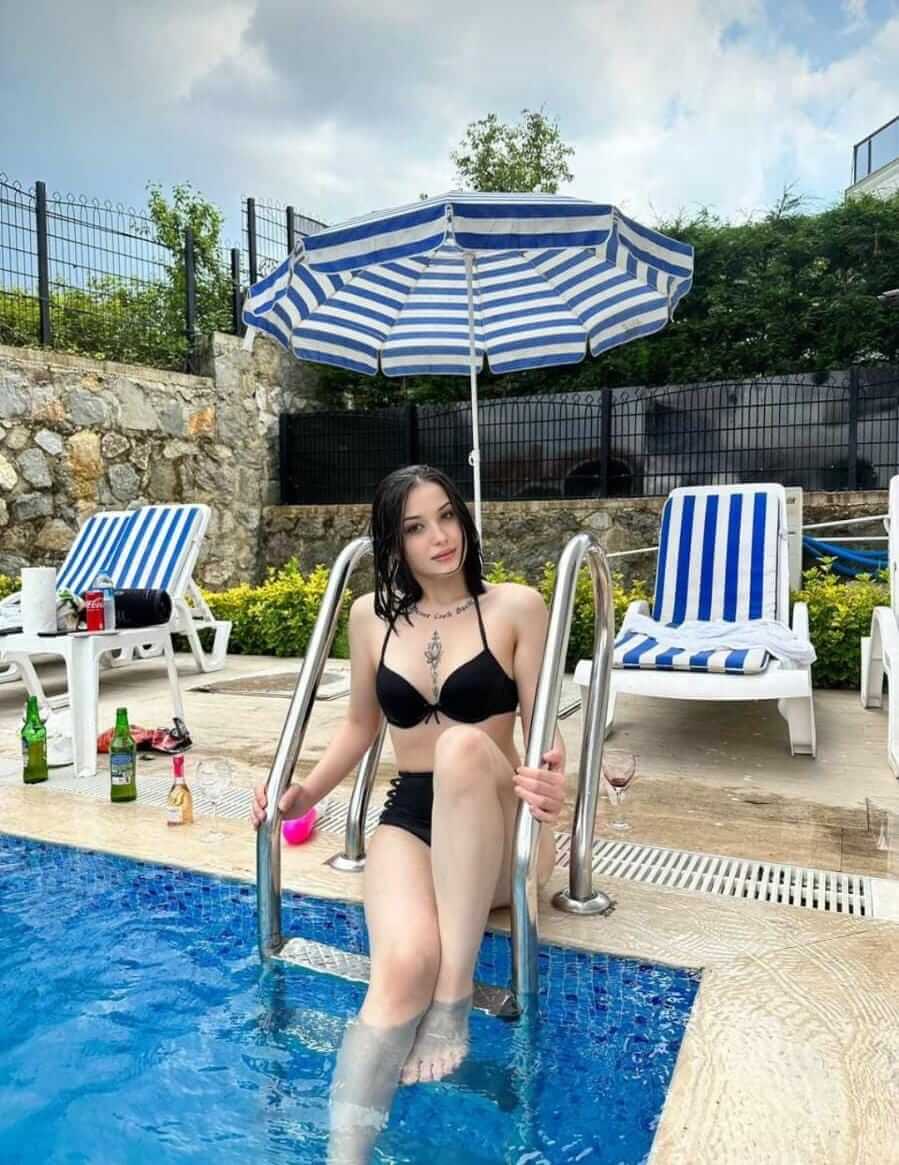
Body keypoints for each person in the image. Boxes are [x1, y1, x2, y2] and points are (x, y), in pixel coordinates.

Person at [251, 465, 566, 1164]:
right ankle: (345, 1157)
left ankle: (452, 1001)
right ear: (394, 543)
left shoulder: (517, 607)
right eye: (416, 527)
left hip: (497, 817)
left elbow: (546, 729)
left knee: (461, 745)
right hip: (412, 814)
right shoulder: (371, 616)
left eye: (447, 515)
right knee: (397, 969)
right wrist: (303, 794)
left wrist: (553, 780)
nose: (440, 536)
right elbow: (360, 727)